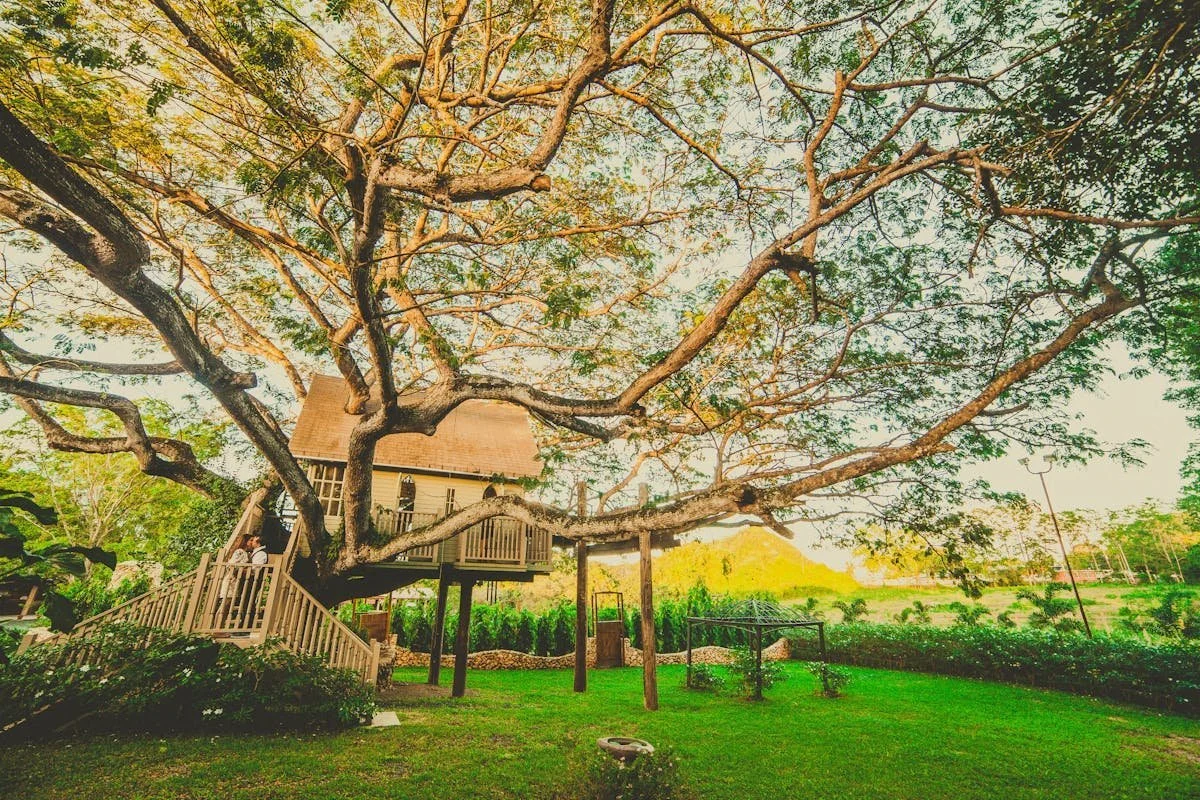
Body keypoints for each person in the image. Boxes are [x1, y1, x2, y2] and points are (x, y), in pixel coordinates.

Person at [217, 534, 251, 628]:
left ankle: (219, 627)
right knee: (225, 604)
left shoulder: (244, 552)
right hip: (231, 580)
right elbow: (231, 565)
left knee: (227, 605)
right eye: (250, 540)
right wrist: (244, 569)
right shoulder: (240, 551)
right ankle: (217, 628)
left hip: (235, 580)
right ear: (245, 541)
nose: (251, 542)